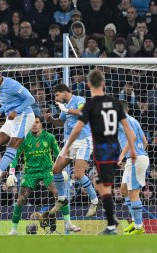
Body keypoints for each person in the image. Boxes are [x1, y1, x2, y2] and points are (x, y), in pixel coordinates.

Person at [61, 69, 136, 235]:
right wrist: (133, 150)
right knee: (100, 184)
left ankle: (111, 224)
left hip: (102, 151)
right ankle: (111, 219)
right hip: (114, 149)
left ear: (88, 85)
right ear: (104, 83)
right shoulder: (115, 103)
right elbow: (128, 130)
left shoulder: (90, 105)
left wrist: (67, 146)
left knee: (103, 187)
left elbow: (77, 129)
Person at [7, 116, 81, 235]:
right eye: (32, 123)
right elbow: (15, 157)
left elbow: (59, 154)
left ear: (41, 124)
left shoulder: (49, 137)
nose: (34, 125)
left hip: (48, 171)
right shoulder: (24, 139)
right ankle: (14, 229)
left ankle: (68, 224)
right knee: (21, 199)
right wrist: (11, 172)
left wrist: (62, 170)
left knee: (59, 194)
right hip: (31, 172)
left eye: (37, 122)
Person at [45, 84, 99, 217]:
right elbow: (61, 122)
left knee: (79, 174)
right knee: (56, 169)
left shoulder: (79, 99)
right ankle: (62, 199)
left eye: (57, 95)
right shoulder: (64, 107)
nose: (56, 98)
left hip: (84, 141)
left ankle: (94, 201)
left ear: (65, 92)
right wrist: (51, 119)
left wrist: (66, 109)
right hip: (70, 142)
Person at [118, 100, 149, 235]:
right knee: (124, 190)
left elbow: (132, 136)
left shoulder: (123, 120)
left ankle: (138, 227)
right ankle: (136, 223)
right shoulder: (134, 120)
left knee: (134, 192)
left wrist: (122, 155)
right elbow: (145, 141)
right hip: (136, 159)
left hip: (136, 159)